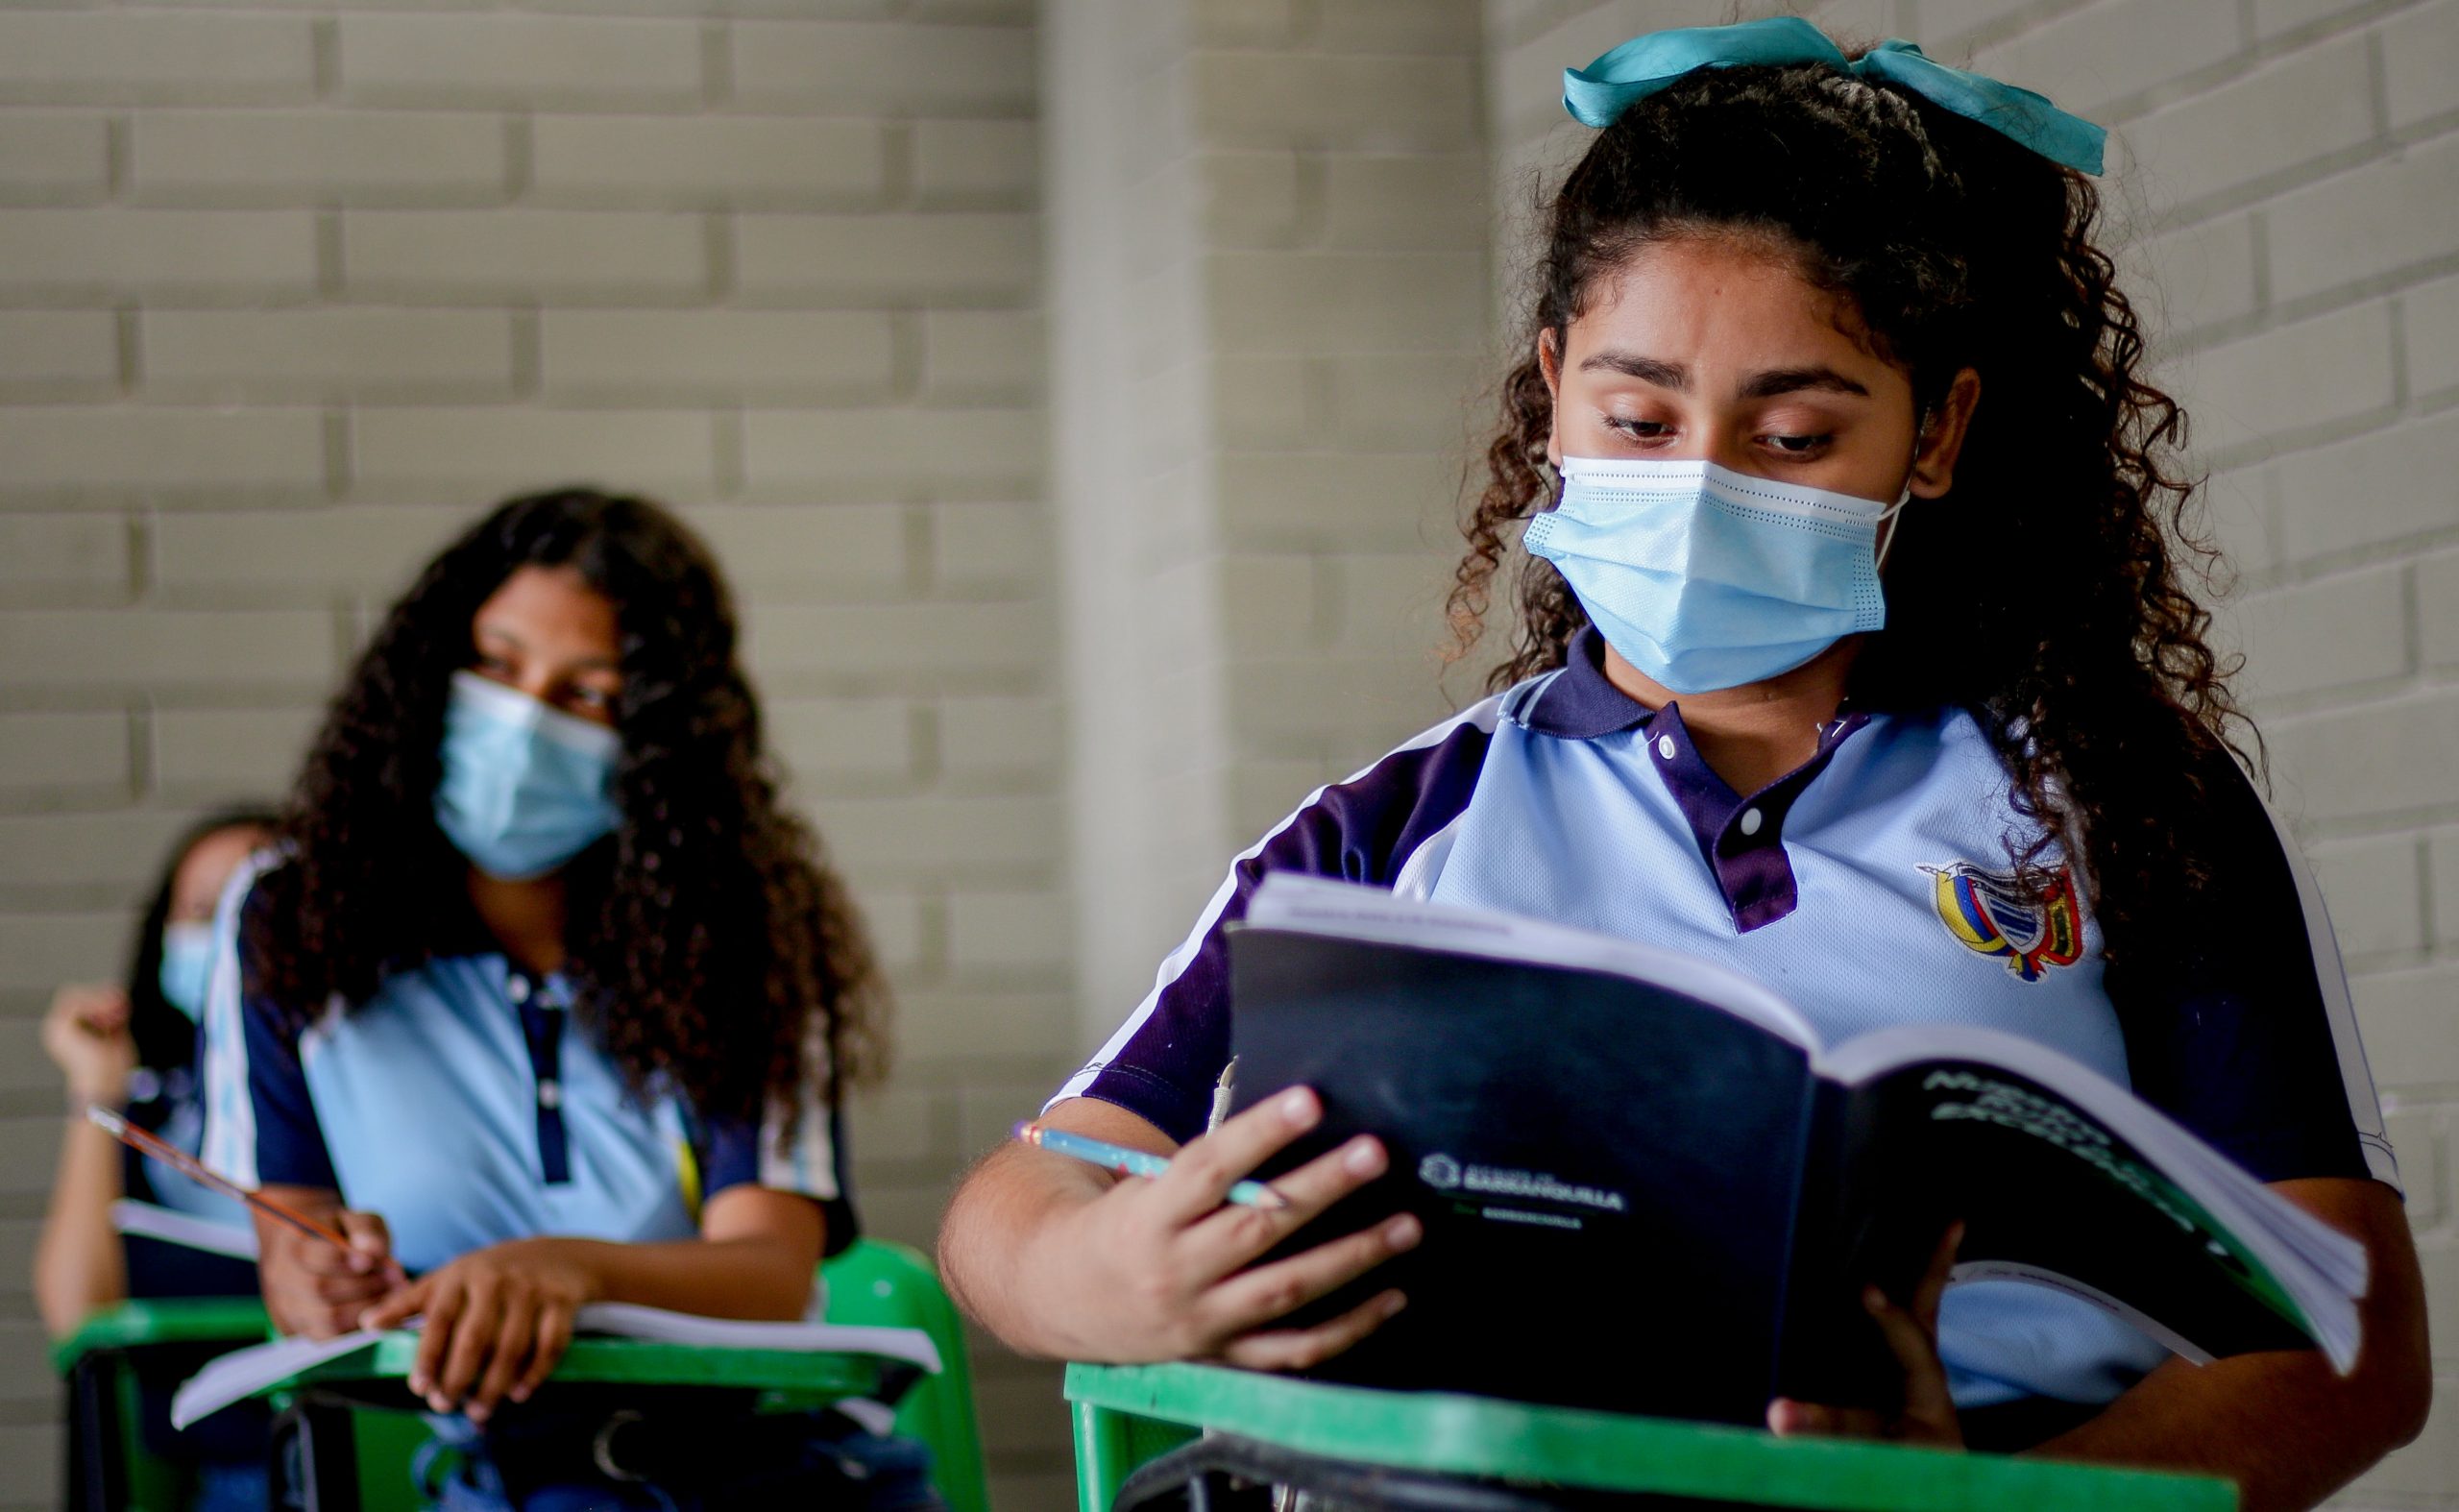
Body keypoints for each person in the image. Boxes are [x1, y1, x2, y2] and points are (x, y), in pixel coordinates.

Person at [937, 19, 2430, 1511]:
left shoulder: (2114, 800)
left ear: (1938, 433)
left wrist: (1975, 1508)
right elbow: (1015, 1208)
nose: (1699, 486)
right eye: (1638, 418)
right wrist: (1104, 1271)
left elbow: (2351, 1346)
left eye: (1790, 437)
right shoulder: (1394, 828)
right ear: (1553, 388)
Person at [199, 488, 933, 1510]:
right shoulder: (288, 922)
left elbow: (767, 1264)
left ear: (653, 742)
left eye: (586, 695)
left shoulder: (740, 932)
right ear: (426, 670)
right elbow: (294, 1237)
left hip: (780, 1475)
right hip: (507, 1483)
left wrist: (568, 1269)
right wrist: (317, 1277)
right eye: (495, 666)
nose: (523, 725)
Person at [37, 803, 280, 1511]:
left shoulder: (386, 1096)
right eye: (205, 912)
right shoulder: (140, 1112)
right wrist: (96, 1087)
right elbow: (80, 1316)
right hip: (225, 1471)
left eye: (257, 904)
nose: (232, 936)